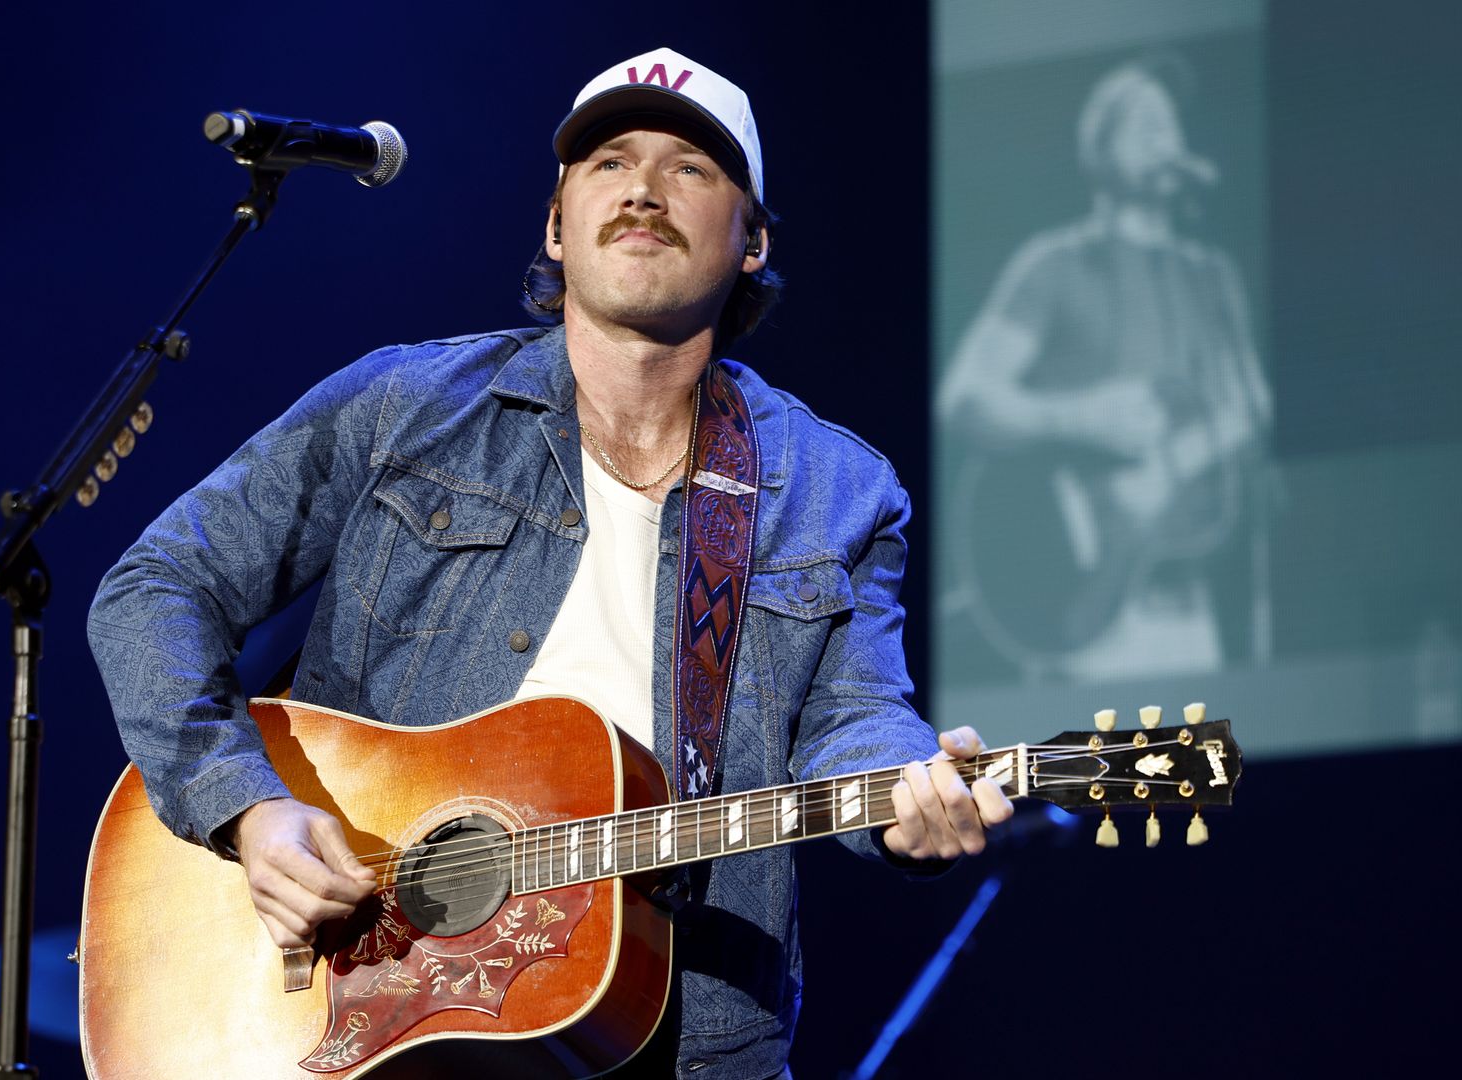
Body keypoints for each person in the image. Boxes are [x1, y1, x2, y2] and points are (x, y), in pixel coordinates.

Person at [89, 46, 1011, 1078]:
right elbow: (154, 589)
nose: (645, 192)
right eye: (609, 163)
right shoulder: (404, 406)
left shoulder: (838, 490)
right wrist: (247, 809)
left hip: (683, 1038)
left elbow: (857, 717)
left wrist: (909, 793)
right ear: (555, 224)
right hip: (359, 1006)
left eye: (693, 169)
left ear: (752, 241)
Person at [936, 58, 1275, 682]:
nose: (1162, 135)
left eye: (1169, 123)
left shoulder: (1213, 278)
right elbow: (967, 398)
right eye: (1143, 121)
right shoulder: (1057, 265)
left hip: (1186, 600)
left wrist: (1191, 454)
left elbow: (1252, 408)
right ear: (1101, 146)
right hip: (1082, 608)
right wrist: (1087, 417)